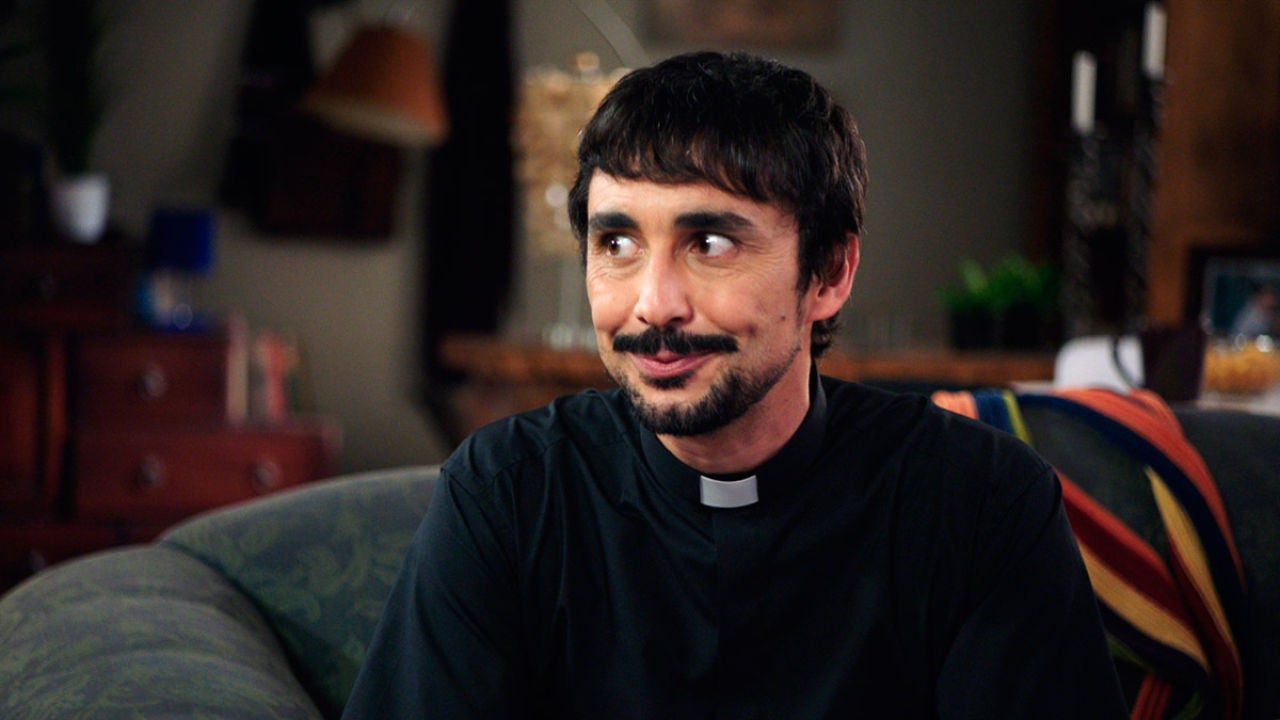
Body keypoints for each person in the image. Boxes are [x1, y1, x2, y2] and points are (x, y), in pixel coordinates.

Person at [343, 51, 1127, 719]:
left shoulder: (982, 505)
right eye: (617, 243)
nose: (654, 304)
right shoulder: (506, 495)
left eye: (710, 243)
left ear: (829, 273)